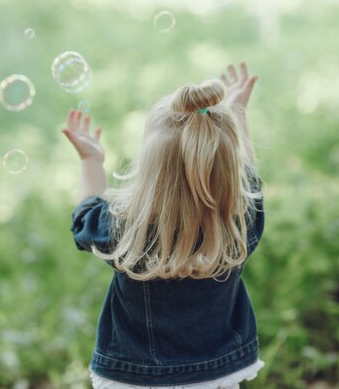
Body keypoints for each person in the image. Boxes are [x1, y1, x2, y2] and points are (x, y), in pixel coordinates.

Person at [61, 62, 265, 389]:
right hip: (215, 376)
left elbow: (85, 214)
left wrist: (91, 161)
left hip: (134, 378)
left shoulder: (125, 229)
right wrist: (236, 113)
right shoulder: (238, 221)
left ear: (150, 168)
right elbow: (248, 178)